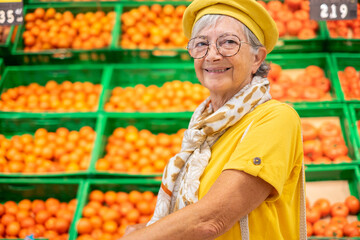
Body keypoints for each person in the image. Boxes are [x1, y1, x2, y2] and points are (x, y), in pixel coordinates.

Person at [122, 0, 306, 239]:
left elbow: (210, 220)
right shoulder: (203, 128)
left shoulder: (276, 118)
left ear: (257, 59)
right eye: (201, 44)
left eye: (228, 42)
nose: (212, 55)